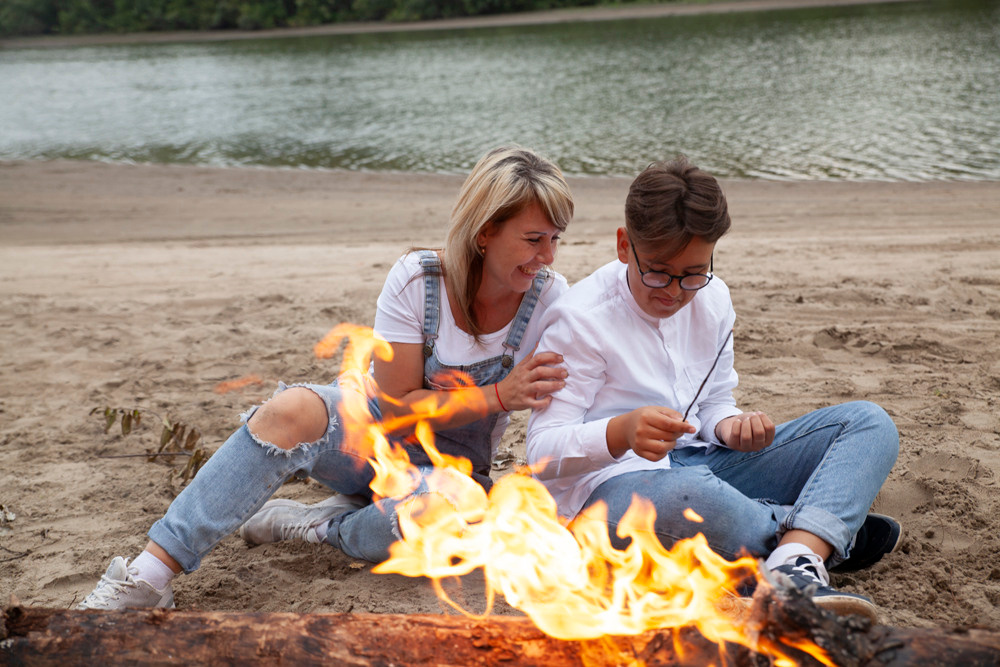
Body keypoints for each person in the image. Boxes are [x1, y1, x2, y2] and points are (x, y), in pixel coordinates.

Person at [78, 145, 574, 610]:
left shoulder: (550, 301)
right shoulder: (419, 280)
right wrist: (498, 395)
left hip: (453, 475)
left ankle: (318, 526)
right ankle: (148, 576)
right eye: (533, 239)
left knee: (434, 516)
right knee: (292, 408)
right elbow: (398, 405)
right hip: (372, 441)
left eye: (555, 240)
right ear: (484, 231)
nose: (547, 257)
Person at [525, 156, 900, 621]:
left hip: (706, 466)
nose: (675, 291)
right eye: (659, 271)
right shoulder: (580, 318)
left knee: (868, 424)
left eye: (694, 273)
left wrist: (731, 428)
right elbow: (540, 453)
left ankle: (790, 554)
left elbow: (713, 402)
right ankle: (817, 537)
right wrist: (619, 433)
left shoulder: (714, 297)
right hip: (614, 494)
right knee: (685, 495)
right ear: (625, 246)